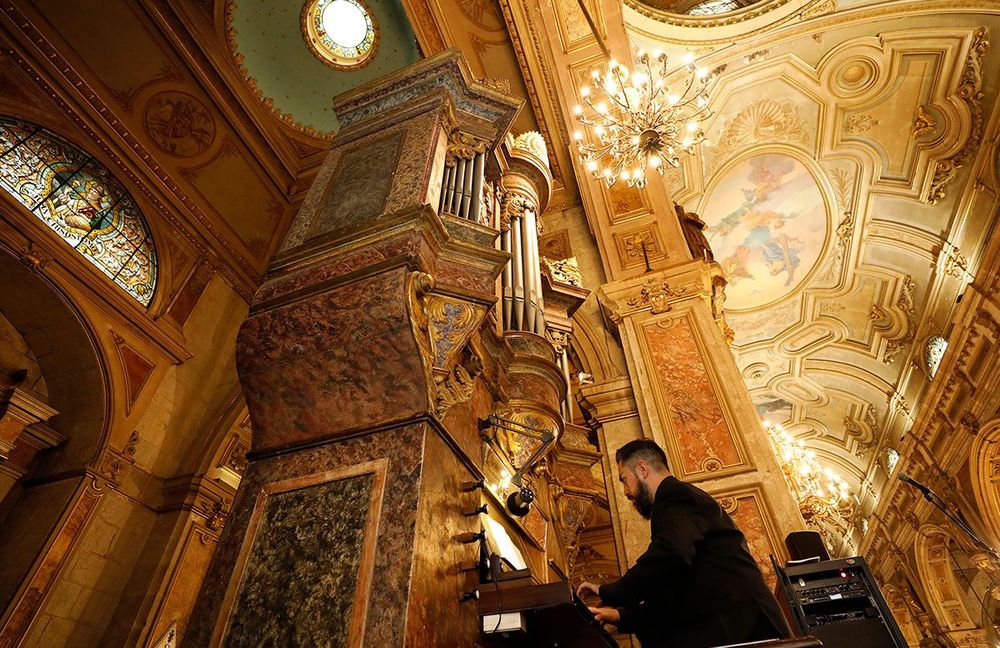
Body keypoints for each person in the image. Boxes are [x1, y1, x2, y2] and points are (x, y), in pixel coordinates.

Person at [577, 439, 791, 648]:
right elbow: (676, 589)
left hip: (747, 628)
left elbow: (670, 556)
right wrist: (621, 616)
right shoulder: (675, 503)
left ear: (642, 469)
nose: (624, 491)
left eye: (623, 479)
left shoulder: (676, 495)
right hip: (735, 626)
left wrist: (609, 592)